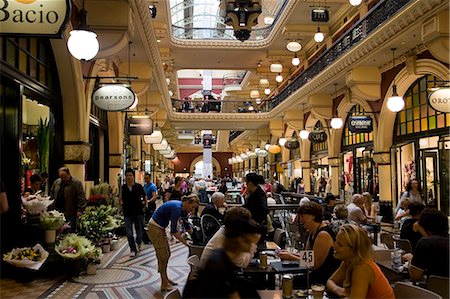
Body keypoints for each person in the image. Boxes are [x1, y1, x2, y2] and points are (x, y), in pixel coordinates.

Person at [184, 207, 262, 298]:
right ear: (241, 239)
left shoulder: (221, 256)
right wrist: (253, 244)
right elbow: (242, 263)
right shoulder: (217, 265)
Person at [279, 201, 340, 285]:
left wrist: (290, 257)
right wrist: (289, 254)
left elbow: (313, 264)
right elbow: (307, 255)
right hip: (315, 274)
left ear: (313, 215)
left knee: (288, 282)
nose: (300, 220)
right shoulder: (312, 232)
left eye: (302, 216)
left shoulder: (323, 235)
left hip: (324, 278)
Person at [147, 194, 199, 291]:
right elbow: (174, 231)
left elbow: (187, 226)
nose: (192, 211)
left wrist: (195, 238)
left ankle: (165, 278)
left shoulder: (183, 209)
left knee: (167, 254)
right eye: (192, 207)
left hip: (160, 228)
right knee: (163, 255)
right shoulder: (177, 209)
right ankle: (164, 283)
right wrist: (186, 243)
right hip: (154, 228)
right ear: (187, 203)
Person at [327, 224, 394, 298]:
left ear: (353, 250)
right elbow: (330, 282)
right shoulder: (349, 261)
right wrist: (337, 289)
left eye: (340, 244)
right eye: (336, 240)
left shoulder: (362, 267)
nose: (333, 245)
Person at [403, 208, 449, 281]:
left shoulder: (426, 243)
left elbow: (415, 276)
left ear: (424, 227)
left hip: (434, 290)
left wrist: (410, 259)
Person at [49, 167, 86, 232]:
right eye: (61, 177)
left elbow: (81, 198)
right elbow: (52, 195)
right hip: (57, 211)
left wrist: (80, 210)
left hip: (70, 211)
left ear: (69, 174)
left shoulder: (76, 183)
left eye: (65, 177)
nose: (63, 179)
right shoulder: (57, 182)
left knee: (69, 230)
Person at [120, 169, 147, 257]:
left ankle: (138, 242)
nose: (129, 177)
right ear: (125, 177)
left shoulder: (138, 186)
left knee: (139, 231)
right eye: (127, 175)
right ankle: (132, 249)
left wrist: (145, 205)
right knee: (129, 233)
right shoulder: (123, 188)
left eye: (130, 175)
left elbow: (144, 196)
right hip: (127, 213)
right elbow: (120, 198)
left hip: (138, 212)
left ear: (133, 176)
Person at [243, 173, 268, 242]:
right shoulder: (253, 194)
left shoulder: (260, 194)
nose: (246, 186)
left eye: (246, 183)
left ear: (250, 183)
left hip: (257, 229)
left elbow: (264, 210)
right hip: (253, 227)